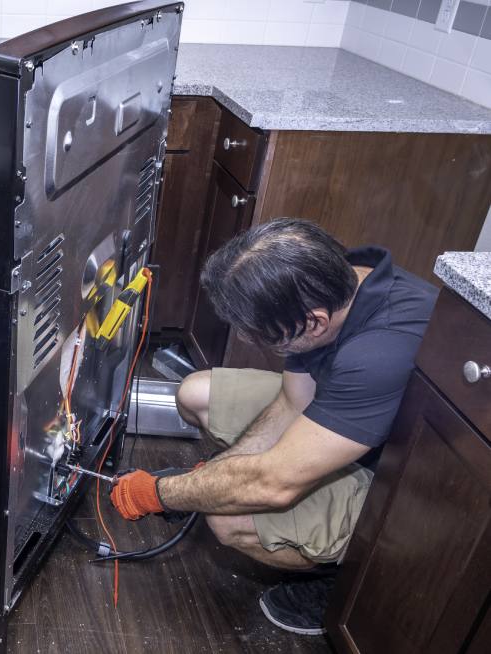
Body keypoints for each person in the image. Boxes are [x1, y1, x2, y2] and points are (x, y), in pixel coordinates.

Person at [109, 219, 437, 635]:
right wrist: (215, 478)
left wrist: (160, 494)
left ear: (315, 323)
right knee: (195, 394)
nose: (258, 344)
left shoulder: (376, 354)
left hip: (405, 489)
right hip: (345, 428)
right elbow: (292, 402)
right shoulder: (336, 280)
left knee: (229, 520)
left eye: (268, 339)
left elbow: (274, 484)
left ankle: (340, 579)